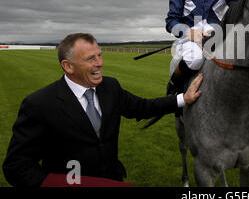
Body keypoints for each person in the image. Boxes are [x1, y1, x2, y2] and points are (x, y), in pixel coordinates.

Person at [2, 33, 203, 187]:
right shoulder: (39, 104)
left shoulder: (110, 87)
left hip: (112, 180)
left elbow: (142, 108)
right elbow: (16, 167)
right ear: (68, 66)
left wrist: (182, 99)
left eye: (99, 55)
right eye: (91, 59)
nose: (100, 63)